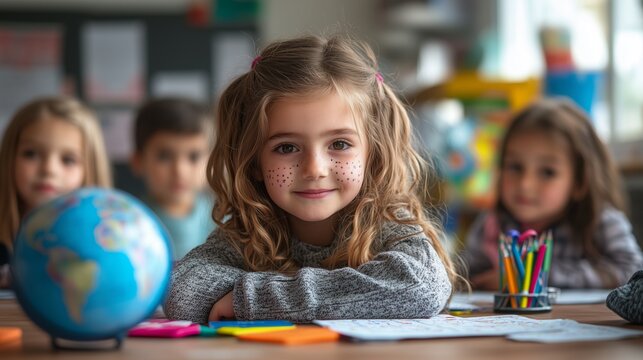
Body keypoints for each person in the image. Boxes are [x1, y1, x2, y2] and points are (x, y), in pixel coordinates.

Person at [164, 34, 456, 324]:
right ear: (253, 162)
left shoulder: (384, 222)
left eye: (339, 144)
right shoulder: (250, 232)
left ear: (373, 155)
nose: (314, 168)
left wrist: (252, 299)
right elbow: (183, 290)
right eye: (287, 148)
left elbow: (423, 285)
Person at [463, 98, 643, 290]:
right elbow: (465, 274)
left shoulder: (603, 223)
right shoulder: (491, 225)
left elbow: (632, 272)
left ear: (579, 182)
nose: (525, 184)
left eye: (547, 172)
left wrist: (536, 277)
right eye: (515, 167)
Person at [0, 96, 112, 287]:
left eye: (68, 159)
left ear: (90, 170)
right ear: (10, 158)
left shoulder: (105, 241)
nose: (49, 169)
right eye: (31, 154)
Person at [130, 97, 215, 261]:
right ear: (138, 161)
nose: (180, 171)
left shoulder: (225, 221)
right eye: (164, 156)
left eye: (194, 156)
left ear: (212, 162)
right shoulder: (131, 222)